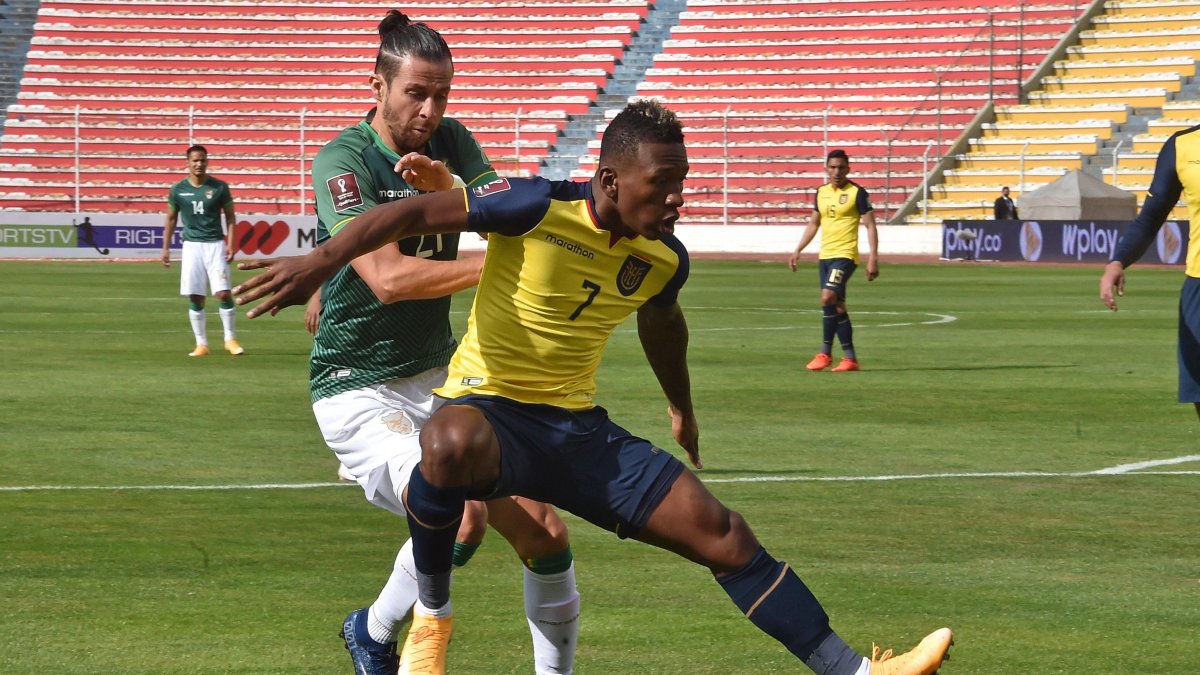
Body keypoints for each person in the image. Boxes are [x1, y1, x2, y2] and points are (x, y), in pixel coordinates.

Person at [235, 99, 953, 675]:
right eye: (661, 184)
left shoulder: (664, 256)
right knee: (445, 441)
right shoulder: (533, 206)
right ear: (610, 181)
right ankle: (431, 621)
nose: (677, 197)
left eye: (683, 182)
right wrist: (321, 260)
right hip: (488, 414)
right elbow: (416, 213)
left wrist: (681, 407)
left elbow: (663, 327)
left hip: (577, 434)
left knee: (724, 534)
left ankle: (856, 670)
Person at [306, 12, 579, 675]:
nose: (430, 111)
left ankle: (372, 632)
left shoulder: (453, 142)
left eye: (442, 96)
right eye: (415, 94)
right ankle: (392, 645)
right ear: (378, 85)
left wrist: (455, 193)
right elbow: (390, 277)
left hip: (438, 379)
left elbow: (519, 221)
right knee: (459, 518)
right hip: (356, 385)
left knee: (544, 531)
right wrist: (496, 262)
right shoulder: (346, 161)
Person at [1100, 123, 1200, 422]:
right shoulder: (1183, 146)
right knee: (1198, 389)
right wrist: (1117, 261)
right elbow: (1151, 217)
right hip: (1199, 285)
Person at [788, 149, 879, 372]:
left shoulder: (857, 193)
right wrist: (798, 249)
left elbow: (870, 225)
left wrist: (873, 258)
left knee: (827, 296)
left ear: (848, 169)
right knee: (836, 306)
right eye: (832, 167)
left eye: (841, 167)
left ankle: (825, 353)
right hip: (825, 256)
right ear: (826, 169)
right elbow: (814, 224)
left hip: (845, 255)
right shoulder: (821, 192)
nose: (836, 171)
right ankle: (850, 358)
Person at [162, 144, 243, 357]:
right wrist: (166, 248)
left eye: (202, 160)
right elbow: (171, 219)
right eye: (195, 160)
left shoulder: (219, 187)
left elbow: (231, 216)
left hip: (215, 244)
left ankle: (230, 339)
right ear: (187, 163)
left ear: (207, 162)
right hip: (192, 247)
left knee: (223, 292)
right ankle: (201, 344)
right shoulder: (178, 189)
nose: (199, 164)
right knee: (196, 296)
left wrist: (231, 243)